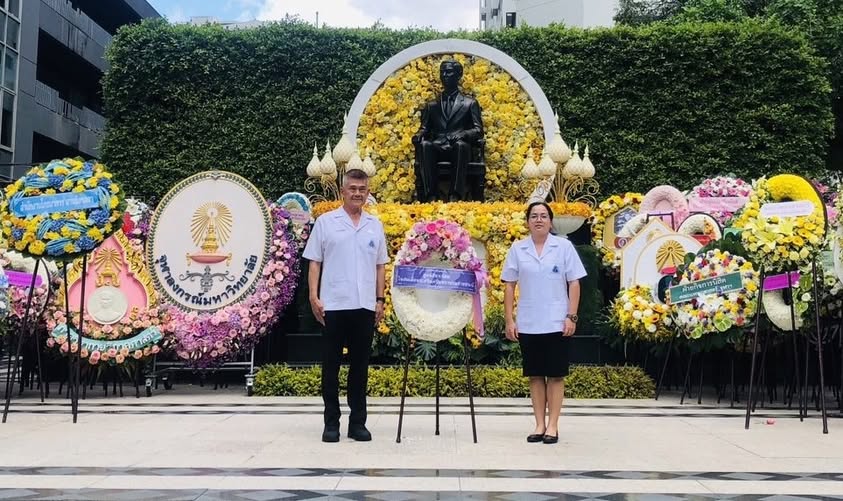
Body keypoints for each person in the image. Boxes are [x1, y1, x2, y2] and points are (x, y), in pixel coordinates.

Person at [302, 169, 388, 443]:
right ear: (343, 191)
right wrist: (313, 296)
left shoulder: (374, 225)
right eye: (353, 188)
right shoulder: (326, 222)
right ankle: (331, 423)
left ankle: (358, 423)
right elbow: (314, 262)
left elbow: (380, 265)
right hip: (333, 305)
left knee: (360, 367)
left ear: (368, 192)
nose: (357, 193)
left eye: (362, 189)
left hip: (364, 305)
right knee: (331, 366)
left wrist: (380, 300)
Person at [501, 202, 587, 444]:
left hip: (557, 321)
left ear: (550, 221)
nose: (538, 220)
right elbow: (509, 285)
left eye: (543, 216)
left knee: (556, 375)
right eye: (534, 216)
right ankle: (539, 424)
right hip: (529, 321)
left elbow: (574, 282)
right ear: (527, 222)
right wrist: (509, 320)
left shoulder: (564, 247)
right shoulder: (518, 249)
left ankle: (553, 425)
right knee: (535, 375)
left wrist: (571, 316)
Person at [412, 59, 484, 202]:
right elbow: (424, 128)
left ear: (459, 75)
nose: (444, 75)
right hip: (438, 146)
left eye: (449, 72)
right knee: (425, 145)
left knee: (461, 146)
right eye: (442, 72)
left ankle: (454, 196)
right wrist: (418, 135)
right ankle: (431, 196)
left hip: (458, 147)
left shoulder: (470, 103)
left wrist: (464, 134)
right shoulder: (432, 105)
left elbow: (478, 130)